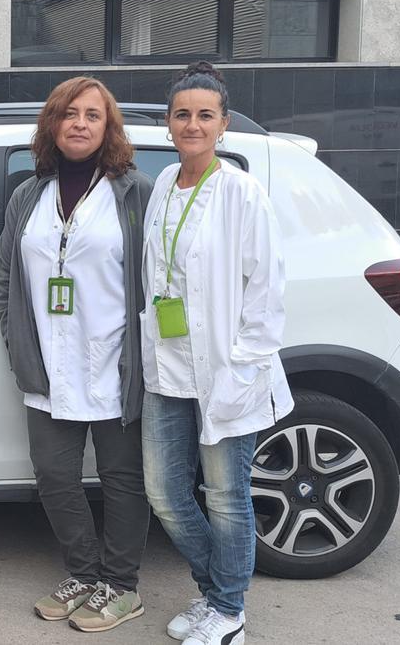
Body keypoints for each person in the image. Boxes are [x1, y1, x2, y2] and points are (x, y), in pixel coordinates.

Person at [140, 62, 293, 645]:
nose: (193, 124)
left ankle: (228, 610)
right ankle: (215, 593)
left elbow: (266, 290)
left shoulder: (241, 192)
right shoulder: (161, 188)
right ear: (169, 123)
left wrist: (245, 365)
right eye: (183, 114)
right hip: (168, 369)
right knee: (165, 491)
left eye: (205, 115)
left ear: (223, 124)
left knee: (227, 496)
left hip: (226, 370)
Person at [0, 77, 154, 633]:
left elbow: (157, 278)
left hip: (115, 360)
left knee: (122, 477)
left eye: (93, 115)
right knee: (55, 475)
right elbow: (7, 277)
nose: (80, 123)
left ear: (109, 128)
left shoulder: (135, 193)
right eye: (70, 113)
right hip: (49, 364)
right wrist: (17, 341)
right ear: (53, 124)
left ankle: (122, 585)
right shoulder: (28, 195)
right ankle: (84, 574)